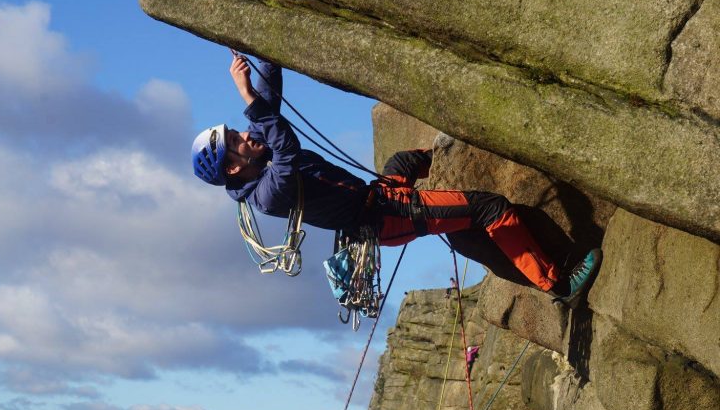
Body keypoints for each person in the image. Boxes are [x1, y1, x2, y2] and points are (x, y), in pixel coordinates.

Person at [192, 55, 600, 305]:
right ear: (231, 168)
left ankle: (454, 166)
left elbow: (268, 103)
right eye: (235, 141)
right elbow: (286, 148)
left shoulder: (255, 160)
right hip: (386, 217)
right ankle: (558, 284)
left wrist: (259, 52)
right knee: (491, 208)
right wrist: (247, 98)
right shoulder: (267, 193)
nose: (245, 135)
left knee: (402, 160)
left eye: (237, 131)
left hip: (377, 196)